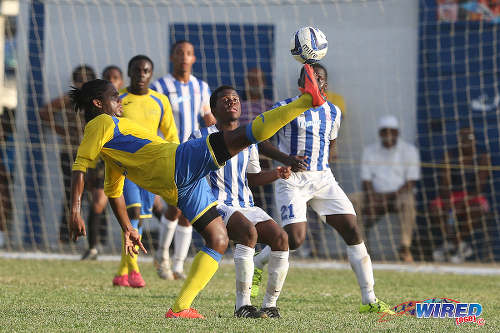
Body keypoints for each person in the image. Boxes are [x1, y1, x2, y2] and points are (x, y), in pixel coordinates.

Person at [68, 63, 324, 319]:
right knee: (246, 135)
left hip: (181, 188)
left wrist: (128, 228)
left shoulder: (112, 150)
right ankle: (306, 100)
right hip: (179, 162)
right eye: (114, 97)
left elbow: (113, 192)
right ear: (98, 104)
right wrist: (75, 211)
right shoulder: (102, 122)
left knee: (219, 240)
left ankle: (180, 307)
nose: (120, 100)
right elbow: (80, 166)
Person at [252, 63, 393, 314]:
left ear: (325, 84)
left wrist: (325, 161)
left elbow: (332, 142)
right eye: (310, 77)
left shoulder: (333, 112)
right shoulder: (283, 108)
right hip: (292, 179)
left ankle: (369, 300)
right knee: (294, 239)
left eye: (319, 78)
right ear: (301, 83)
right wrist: (286, 159)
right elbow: (261, 142)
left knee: (352, 229)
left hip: (323, 179)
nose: (314, 80)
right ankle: (258, 264)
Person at [190, 86, 291, 318]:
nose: (232, 102)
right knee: (248, 233)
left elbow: (250, 178)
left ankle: (270, 305)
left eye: (235, 99)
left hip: (244, 204)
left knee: (281, 238)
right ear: (213, 108)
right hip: (215, 205)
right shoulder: (199, 137)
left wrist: (276, 173)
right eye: (225, 100)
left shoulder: (249, 140)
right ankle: (242, 306)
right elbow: (187, 172)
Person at [150, 40, 216, 280]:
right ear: (172, 57)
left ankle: (177, 265)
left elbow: (207, 116)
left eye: (189, 53)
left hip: (193, 154)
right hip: (168, 153)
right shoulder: (160, 86)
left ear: (194, 58)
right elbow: (152, 118)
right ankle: (162, 256)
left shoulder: (201, 87)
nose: (184, 57)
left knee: (188, 211)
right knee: (175, 207)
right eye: (180, 53)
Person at [111, 55, 178, 288]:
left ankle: (122, 272)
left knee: (138, 218)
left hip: (150, 168)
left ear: (151, 73)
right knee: (134, 214)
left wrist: (173, 160)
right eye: (137, 70)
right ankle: (135, 270)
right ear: (129, 72)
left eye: (146, 70)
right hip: (125, 167)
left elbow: (171, 136)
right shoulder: (118, 100)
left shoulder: (160, 101)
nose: (141, 74)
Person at [39, 64, 96, 243]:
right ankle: (65, 236)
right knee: (71, 194)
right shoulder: (70, 98)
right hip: (71, 152)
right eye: (79, 79)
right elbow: (44, 112)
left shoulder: (99, 99)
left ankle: (97, 239)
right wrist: (60, 130)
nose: (83, 82)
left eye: (87, 79)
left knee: (97, 194)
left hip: (95, 154)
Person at [358, 115, 420, 262]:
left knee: (409, 202)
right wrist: (372, 198)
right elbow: (366, 180)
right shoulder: (370, 150)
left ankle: (405, 248)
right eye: (385, 131)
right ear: (380, 133)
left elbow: (411, 182)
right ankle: (360, 248)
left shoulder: (409, 150)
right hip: (375, 195)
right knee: (351, 201)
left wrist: (385, 198)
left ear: (397, 133)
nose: (388, 135)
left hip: (399, 195)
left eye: (392, 131)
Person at [81, 65, 124, 260]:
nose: (112, 80)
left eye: (116, 77)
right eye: (108, 77)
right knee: (98, 203)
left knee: (155, 206)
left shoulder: (123, 104)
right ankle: (92, 248)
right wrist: (89, 168)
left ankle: (170, 246)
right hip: (103, 162)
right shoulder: (98, 111)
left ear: (122, 81)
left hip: (130, 160)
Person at [430, 127, 491, 263]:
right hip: (453, 196)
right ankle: (459, 246)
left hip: (473, 196)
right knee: (436, 208)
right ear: (459, 139)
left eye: (469, 138)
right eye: (463, 138)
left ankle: (455, 244)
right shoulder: (450, 155)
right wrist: (450, 202)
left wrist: (463, 203)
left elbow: (479, 186)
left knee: (476, 209)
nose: (466, 142)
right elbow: (445, 183)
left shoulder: (482, 157)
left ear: (474, 140)